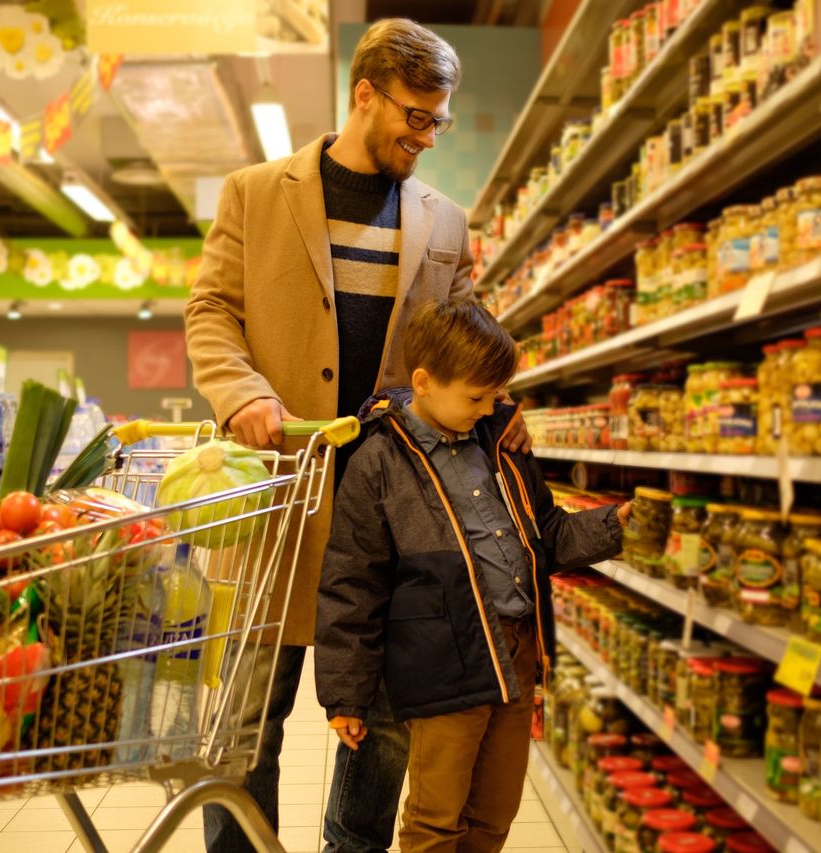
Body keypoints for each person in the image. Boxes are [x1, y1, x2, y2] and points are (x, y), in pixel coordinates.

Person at [184, 17, 530, 853]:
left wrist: (503, 403)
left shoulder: (445, 221)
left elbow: (461, 336)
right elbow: (212, 313)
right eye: (415, 115)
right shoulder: (255, 194)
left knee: (380, 732)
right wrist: (241, 394)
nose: (428, 136)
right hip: (274, 503)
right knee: (244, 730)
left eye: (439, 121)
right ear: (364, 94)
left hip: (393, 520)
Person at [314, 299, 630, 853]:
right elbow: (352, 583)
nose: (489, 409)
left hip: (517, 654)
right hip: (445, 660)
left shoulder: (503, 447)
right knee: (437, 817)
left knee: (495, 811)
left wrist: (615, 525)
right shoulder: (381, 462)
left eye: (496, 396)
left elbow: (548, 535)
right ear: (424, 382)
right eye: (476, 397)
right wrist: (346, 694)